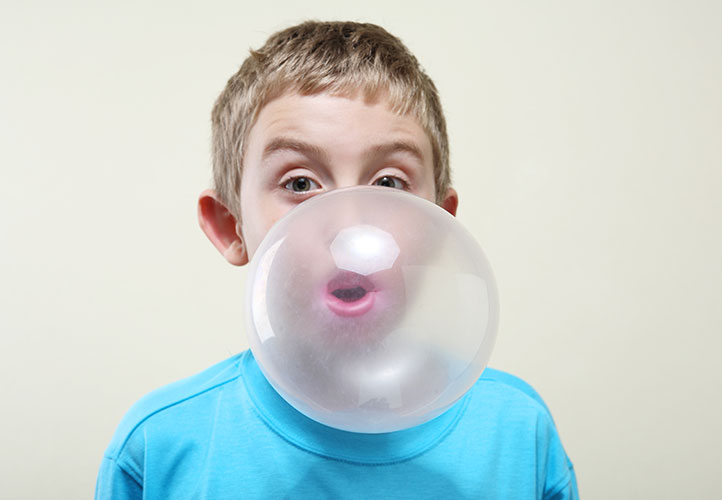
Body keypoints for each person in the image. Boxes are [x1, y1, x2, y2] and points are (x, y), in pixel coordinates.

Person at [96, 21, 579, 499]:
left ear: (440, 226)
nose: (352, 225)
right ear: (230, 226)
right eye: (300, 183)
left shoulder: (518, 433)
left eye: (389, 183)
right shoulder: (159, 449)